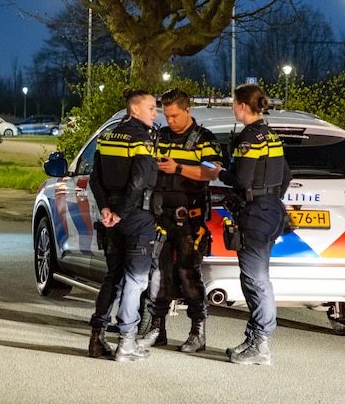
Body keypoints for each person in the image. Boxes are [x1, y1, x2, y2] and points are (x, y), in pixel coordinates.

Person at [214, 84, 292, 365]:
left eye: (233, 103)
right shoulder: (271, 135)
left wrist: (221, 172)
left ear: (243, 106)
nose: (232, 108)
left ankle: (260, 343)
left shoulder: (249, 138)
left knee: (255, 279)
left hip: (256, 215)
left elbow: (242, 179)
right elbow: (286, 175)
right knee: (259, 278)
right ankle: (254, 339)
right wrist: (268, 198)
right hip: (272, 212)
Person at [141, 88, 222, 353]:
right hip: (159, 217)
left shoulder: (204, 139)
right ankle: (156, 328)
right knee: (158, 275)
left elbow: (212, 173)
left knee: (189, 276)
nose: (170, 121)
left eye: (175, 115)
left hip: (190, 221)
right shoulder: (160, 135)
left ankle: (198, 333)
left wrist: (177, 168)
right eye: (166, 115)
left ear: (188, 111)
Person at [87, 88, 159, 362]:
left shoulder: (107, 138)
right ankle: (127, 342)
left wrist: (107, 208)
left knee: (112, 278)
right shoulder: (142, 140)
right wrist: (120, 212)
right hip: (136, 218)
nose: (155, 113)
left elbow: (96, 178)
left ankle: (97, 338)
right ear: (135, 109)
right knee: (136, 280)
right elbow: (139, 181)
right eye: (151, 107)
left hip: (112, 218)